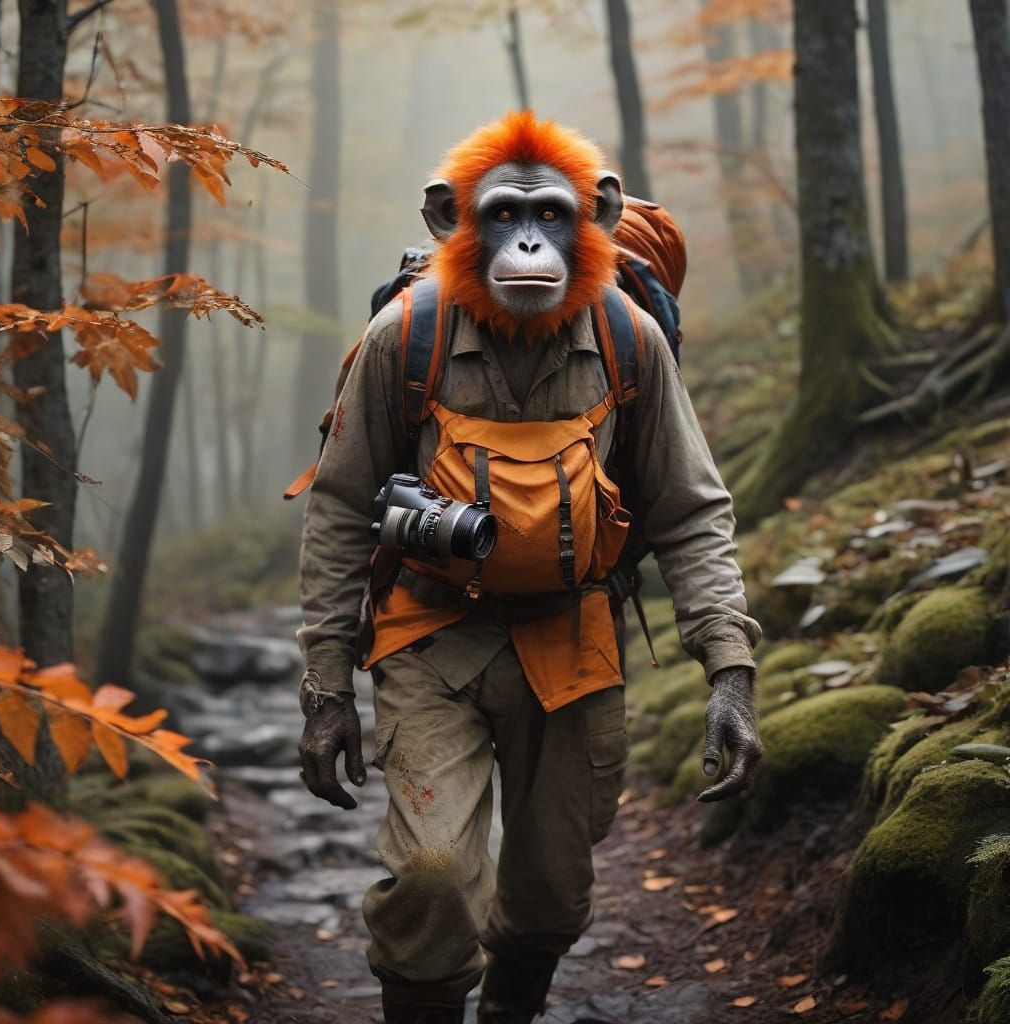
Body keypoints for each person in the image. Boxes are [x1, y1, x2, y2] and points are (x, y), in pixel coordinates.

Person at [295, 111, 762, 1024]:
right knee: (431, 878)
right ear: (450, 221)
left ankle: (512, 1003)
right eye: (504, 219)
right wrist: (323, 691)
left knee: (552, 894)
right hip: (429, 634)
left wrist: (729, 671)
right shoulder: (407, 338)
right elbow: (343, 507)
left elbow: (690, 509)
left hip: (573, 640)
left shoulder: (630, 342)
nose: (530, 244)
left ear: (597, 218)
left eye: (550, 218)